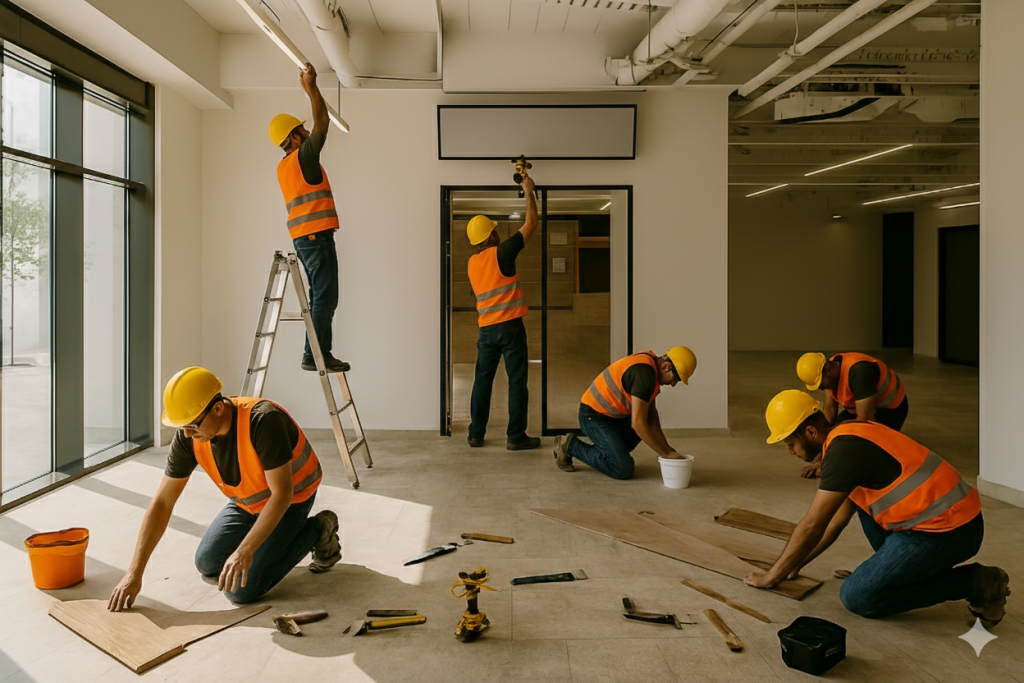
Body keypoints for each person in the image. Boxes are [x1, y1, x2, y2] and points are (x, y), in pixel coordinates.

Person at [746, 389, 1010, 626]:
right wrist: (796, 564)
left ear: (811, 432)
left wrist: (772, 577)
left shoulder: (843, 453)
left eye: (790, 444)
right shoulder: (847, 433)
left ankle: (978, 582)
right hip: (933, 520)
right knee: (859, 505)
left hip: (950, 531)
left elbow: (813, 526)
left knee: (859, 596)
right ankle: (895, 571)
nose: (790, 452)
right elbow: (836, 521)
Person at [108, 367, 341, 611]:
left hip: (292, 499)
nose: (187, 433)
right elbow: (163, 502)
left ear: (218, 408)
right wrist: (134, 573)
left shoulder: (262, 421)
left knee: (240, 590)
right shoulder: (189, 436)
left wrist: (245, 550)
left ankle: (318, 528)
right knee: (207, 563)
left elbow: (282, 494)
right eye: (182, 426)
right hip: (246, 503)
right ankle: (265, 539)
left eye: (192, 425)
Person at [267, 63, 349, 374]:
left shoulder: (283, 166)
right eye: (301, 130)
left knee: (319, 299)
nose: (306, 131)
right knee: (327, 298)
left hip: (303, 240)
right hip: (317, 237)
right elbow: (323, 123)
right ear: (296, 136)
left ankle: (311, 353)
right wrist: (311, 88)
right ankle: (318, 355)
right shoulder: (303, 157)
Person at [465, 175, 541, 451]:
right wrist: (529, 192)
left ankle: (476, 434)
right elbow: (531, 224)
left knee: (482, 381)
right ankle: (515, 436)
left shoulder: (472, 263)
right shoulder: (503, 252)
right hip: (510, 328)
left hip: (486, 331)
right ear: (492, 235)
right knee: (516, 382)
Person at [552, 347, 697, 480]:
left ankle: (614, 455)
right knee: (622, 469)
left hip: (612, 417)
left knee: (644, 417)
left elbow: (651, 417)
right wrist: (665, 454)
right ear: (667, 366)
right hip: (592, 416)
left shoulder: (650, 368)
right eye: (676, 379)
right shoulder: (644, 374)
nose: (673, 384)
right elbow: (638, 424)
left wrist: (668, 450)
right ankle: (570, 445)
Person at [795, 352, 909, 478]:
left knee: (858, 448)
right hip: (860, 407)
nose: (821, 388)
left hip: (890, 409)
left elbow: (864, 424)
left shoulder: (860, 371)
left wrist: (827, 462)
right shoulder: (831, 368)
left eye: (821, 384)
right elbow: (830, 411)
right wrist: (824, 450)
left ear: (828, 369)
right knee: (838, 432)